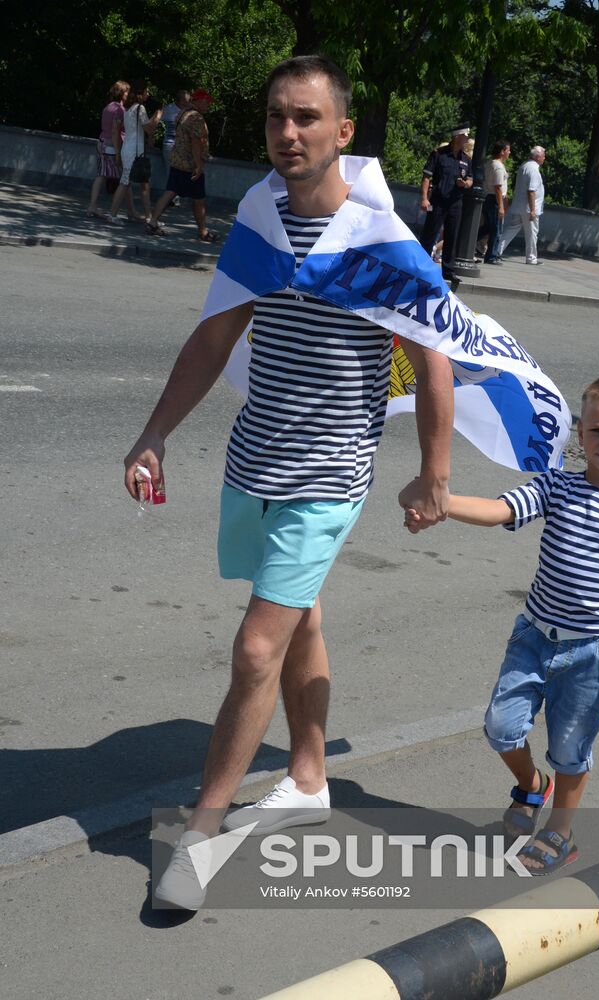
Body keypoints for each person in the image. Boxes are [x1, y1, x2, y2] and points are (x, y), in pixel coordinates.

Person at [124, 55, 454, 910]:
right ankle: (308, 777)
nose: (289, 133)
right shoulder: (262, 220)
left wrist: (434, 474)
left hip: (326, 475)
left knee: (256, 646)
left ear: (343, 131)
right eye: (277, 117)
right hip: (255, 461)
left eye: (307, 118)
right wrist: (156, 432)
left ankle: (200, 834)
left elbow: (433, 358)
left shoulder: (382, 242)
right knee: (299, 613)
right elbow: (212, 337)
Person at [405, 375, 599, 873]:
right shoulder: (555, 485)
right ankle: (531, 785)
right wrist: (441, 504)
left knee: (571, 749)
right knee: (501, 728)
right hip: (534, 636)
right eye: (597, 430)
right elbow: (500, 509)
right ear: (579, 432)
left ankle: (560, 831)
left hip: (591, 654)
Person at [144, 89, 218, 242]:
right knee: (199, 199)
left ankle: (152, 222)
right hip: (190, 165)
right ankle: (203, 232)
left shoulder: (183, 114)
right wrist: (198, 165)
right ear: (197, 101)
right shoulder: (196, 118)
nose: (208, 104)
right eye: (206, 101)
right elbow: (196, 142)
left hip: (177, 161)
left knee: (170, 191)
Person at [419, 123, 474, 279]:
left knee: (451, 236)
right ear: (457, 137)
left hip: (455, 202)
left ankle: (448, 271)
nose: (467, 139)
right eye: (465, 137)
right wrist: (424, 198)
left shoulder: (466, 159)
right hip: (438, 200)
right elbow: (426, 177)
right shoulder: (439, 154)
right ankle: (421, 266)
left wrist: (466, 184)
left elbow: (470, 179)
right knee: (430, 234)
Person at [109, 81, 162, 224]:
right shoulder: (140, 108)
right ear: (140, 94)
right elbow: (149, 129)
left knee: (144, 183)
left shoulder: (128, 108)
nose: (148, 94)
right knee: (125, 182)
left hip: (129, 148)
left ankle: (150, 217)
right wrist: (157, 117)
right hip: (135, 151)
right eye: (146, 91)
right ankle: (112, 215)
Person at [86, 81, 129, 219]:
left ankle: (92, 206)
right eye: (127, 92)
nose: (128, 94)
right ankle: (128, 211)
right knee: (124, 178)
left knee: (101, 175)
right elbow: (116, 131)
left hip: (102, 142)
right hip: (111, 146)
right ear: (122, 93)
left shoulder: (108, 107)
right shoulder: (120, 110)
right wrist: (118, 152)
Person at [496, 145, 546, 265]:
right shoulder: (533, 169)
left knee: (511, 230)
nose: (544, 158)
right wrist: (533, 210)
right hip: (529, 208)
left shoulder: (525, 165)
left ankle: (496, 250)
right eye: (543, 156)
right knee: (532, 233)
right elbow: (531, 190)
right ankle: (531, 258)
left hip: (519, 205)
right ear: (538, 157)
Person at [160, 89, 192, 204]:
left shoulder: (188, 111)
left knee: (177, 171)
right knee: (172, 171)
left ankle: (173, 196)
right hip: (171, 143)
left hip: (181, 146)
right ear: (182, 100)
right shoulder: (170, 110)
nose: (190, 101)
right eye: (188, 99)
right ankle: (172, 197)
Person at [482, 139, 511, 265]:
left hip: (489, 197)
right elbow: (498, 187)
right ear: (502, 151)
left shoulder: (489, 163)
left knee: (488, 227)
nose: (509, 153)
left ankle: (470, 244)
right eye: (508, 150)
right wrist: (501, 206)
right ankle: (491, 256)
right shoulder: (498, 166)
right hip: (494, 199)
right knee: (496, 229)